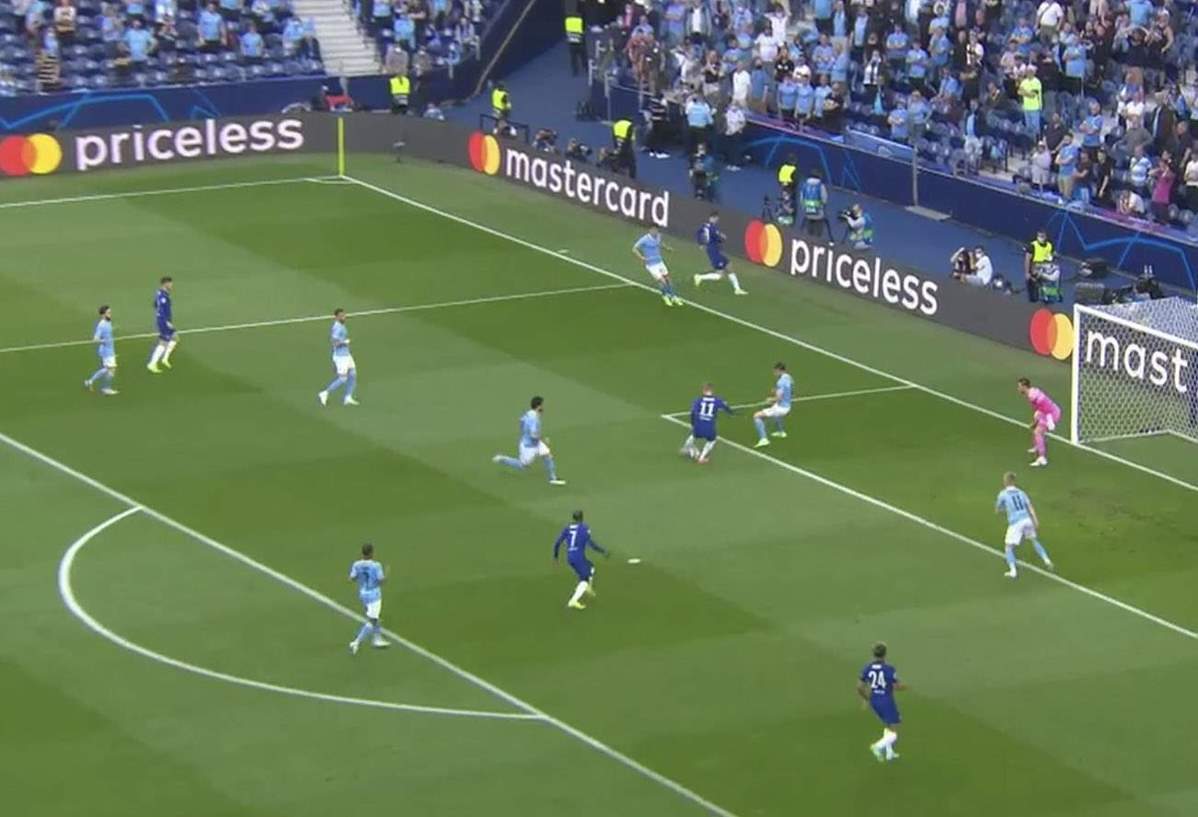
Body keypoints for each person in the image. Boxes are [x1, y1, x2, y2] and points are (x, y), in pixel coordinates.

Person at [492, 396, 566, 485]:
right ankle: (502, 459)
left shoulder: (529, 413)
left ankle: (552, 478)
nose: (543, 407)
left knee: (547, 455)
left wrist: (524, 433)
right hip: (529, 446)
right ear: (538, 406)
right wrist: (543, 439)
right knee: (522, 466)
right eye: (542, 405)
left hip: (535, 443)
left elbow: (521, 421)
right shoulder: (534, 418)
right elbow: (533, 435)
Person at [996, 471, 1053, 578]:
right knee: (1033, 540)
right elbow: (1030, 506)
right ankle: (1047, 560)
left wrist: (1002, 510)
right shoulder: (1021, 493)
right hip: (1027, 520)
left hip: (1016, 522)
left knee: (1008, 547)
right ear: (1014, 481)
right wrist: (1035, 519)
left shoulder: (1003, 494)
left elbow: (998, 509)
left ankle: (1013, 571)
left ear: (1006, 481)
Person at [857, 642, 905, 763]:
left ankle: (889, 753)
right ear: (885, 654)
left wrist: (866, 699)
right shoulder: (889, 669)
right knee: (894, 732)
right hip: (886, 701)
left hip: (874, 700)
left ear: (874, 654)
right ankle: (877, 746)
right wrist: (905, 687)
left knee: (888, 726)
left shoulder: (867, 668)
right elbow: (897, 686)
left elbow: (860, 687)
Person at [553, 510, 608, 610]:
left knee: (591, 567)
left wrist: (555, 557)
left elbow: (557, 543)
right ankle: (573, 601)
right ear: (582, 518)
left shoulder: (568, 528)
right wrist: (603, 551)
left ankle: (588, 589)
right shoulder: (584, 528)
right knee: (584, 579)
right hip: (578, 557)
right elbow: (591, 544)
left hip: (570, 556)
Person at [347, 542, 390, 654]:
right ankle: (356, 642)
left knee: (374, 617)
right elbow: (380, 581)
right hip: (374, 595)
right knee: (372, 620)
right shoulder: (376, 566)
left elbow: (351, 578)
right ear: (371, 553)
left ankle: (377, 639)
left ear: (362, 553)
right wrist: (385, 578)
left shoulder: (356, 564)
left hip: (363, 594)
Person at [694, 212, 746, 294]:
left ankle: (737, 289)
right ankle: (699, 277)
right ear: (712, 218)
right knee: (719, 275)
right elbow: (718, 237)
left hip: (713, 250)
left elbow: (698, 233)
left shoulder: (705, 225)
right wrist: (723, 237)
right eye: (716, 219)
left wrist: (700, 243)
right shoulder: (713, 228)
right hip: (714, 252)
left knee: (729, 265)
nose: (717, 221)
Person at [682, 383, 734, 463]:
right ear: (712, 391)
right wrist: (731, 413)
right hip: (710, 427)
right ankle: (701, 457)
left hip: (698, 426)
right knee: (712, 441)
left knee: (693, 436)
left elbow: (693, 413)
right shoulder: (717, 400)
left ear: (703, 391)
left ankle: (686, 448)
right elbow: (726, 407)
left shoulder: (698, 400)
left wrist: (693, 424)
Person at [317, 308, 359, 407]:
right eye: (341, 316)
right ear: (336, 317)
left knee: (353, 374)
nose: (344, 317)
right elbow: (334, 342)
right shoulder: (337, 327)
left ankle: (348, 397)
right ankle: (325, 393)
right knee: (343, 379)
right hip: (341, 357)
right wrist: (344, 342)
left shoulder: (341, 325)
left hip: (346, 354)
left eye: (344, 315)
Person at [633, 226, 682, 306]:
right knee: (663, 281)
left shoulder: (658, 236)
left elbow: (660, 244)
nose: (655, 232)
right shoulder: (644, 239)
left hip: (660, 262)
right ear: (650, 230)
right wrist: (641, 257)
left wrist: (667, 248)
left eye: (656, 230)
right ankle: (665, 296)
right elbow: (634, 248)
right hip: (651, 265)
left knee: (668, 279)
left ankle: (673, 296)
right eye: (653, 230)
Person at [1018, 377, 1061, 467]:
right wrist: (1036, 420)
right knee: (1036, 426)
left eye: (1019, 386)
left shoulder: (1033, 397)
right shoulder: (1033, 392)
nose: (1018, 389)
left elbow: (1046, 408)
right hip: (1047, 412)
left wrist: (1049, 421)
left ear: (1024, 387)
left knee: (1037, 432)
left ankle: (1042, 458)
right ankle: (1037, 445)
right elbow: (1040, 408)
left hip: (1051, 414)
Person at [753, 362, 793, 448]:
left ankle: (764, 439)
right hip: (787, 406)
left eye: (775, 371)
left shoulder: (780, 382)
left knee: (757, 416)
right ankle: (780, 432)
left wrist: (770, 399)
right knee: (775, 409)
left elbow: (778, 398)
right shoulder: (788, 377)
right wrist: (776, 391)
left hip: (781, 408)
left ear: (779, 370)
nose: (774, 373)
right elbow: (789, 388)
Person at [84, 305, 118, 396]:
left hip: (109, 349)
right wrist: (105, 341)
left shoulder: (108, 321)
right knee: (112, 370)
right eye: (108, 313)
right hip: (107, 351)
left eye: (110, 312)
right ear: (103, 315)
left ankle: (90, 381)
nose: (110, 314)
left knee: (107, 369)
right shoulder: (101, 325)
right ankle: (106, 388)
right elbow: (95, 339)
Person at [146, 276, 176, 373]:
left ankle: (164, 359)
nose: (171, 285)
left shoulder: (160, 293)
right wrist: (166, 321)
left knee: (175, 338)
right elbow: (162, 309)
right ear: (165, 284)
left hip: (163, 320)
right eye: (170, 283)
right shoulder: (163, 296)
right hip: (164, 321)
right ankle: (152, 364)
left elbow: (155, 304)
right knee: (163, 342)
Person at [800, 169, 832, 241]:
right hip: (819, 214)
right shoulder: (821, 186)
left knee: (809, 233)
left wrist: (805, 208)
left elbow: (801, 199)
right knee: (817, 235)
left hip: (807, 213)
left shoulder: (805, 185)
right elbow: (824, 199)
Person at [1024, 230, 1053, 302]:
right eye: (1039, 236)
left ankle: (1047, 295)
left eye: (1042, 236)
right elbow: (1027, 260)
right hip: (1033, 270)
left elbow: (1049, 257)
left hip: (1044, 269)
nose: (1040, 238)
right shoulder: (1032, 246)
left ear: (1046, 237)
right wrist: (1027, 273)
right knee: (1033, 298)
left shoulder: (1049, 245)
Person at [564, 9, 585, 76]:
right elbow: (583, 30)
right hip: (580, 40)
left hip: (571, 40)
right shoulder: (580, 20)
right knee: (583, 55)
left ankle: (575, 71)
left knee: (573, 57)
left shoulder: (567, 20)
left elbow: (566, 30)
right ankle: (586, 67)